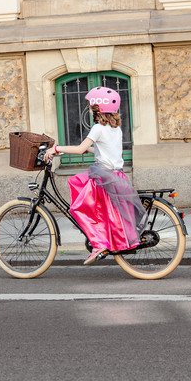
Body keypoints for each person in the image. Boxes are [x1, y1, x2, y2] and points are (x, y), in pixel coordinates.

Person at [43, 87, 147, 264]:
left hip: (103, 178)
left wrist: (56, 149)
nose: (90, 110)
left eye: (92, 107)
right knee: (76, 182)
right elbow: (105, 150)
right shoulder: (116, 129)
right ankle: (102, 236)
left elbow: (79, 148)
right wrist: (88, 151)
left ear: (98, 109)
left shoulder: (98, 128)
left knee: (77, 208)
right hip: (116, 176)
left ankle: (98, 243)